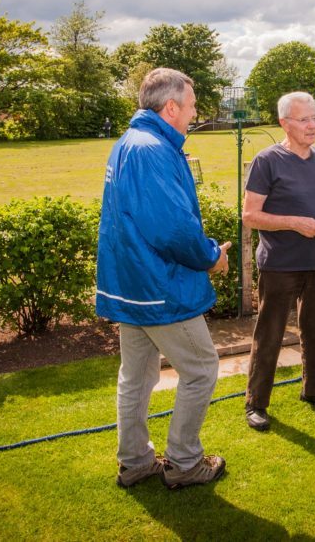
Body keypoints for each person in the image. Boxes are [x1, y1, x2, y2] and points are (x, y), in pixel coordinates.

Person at [95, 67, 231, 490]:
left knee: (135, 377)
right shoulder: (153, 149)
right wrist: (211, 257)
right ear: (170, 107)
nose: (194, 115)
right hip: (159, 289)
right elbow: (172, 228)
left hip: (132, 288)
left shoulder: (128, 143)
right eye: (191, 107)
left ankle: (135, 461)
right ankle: (185, 463)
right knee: (202, 369)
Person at [241, 91, 315, 431]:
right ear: (284, 123)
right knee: (271, 333)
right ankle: (256, 403)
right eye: (304, 119)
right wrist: (294, 222)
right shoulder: (267, 161)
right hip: (280, 263)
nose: (312, 125)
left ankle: (314, 390)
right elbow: (250, 215)